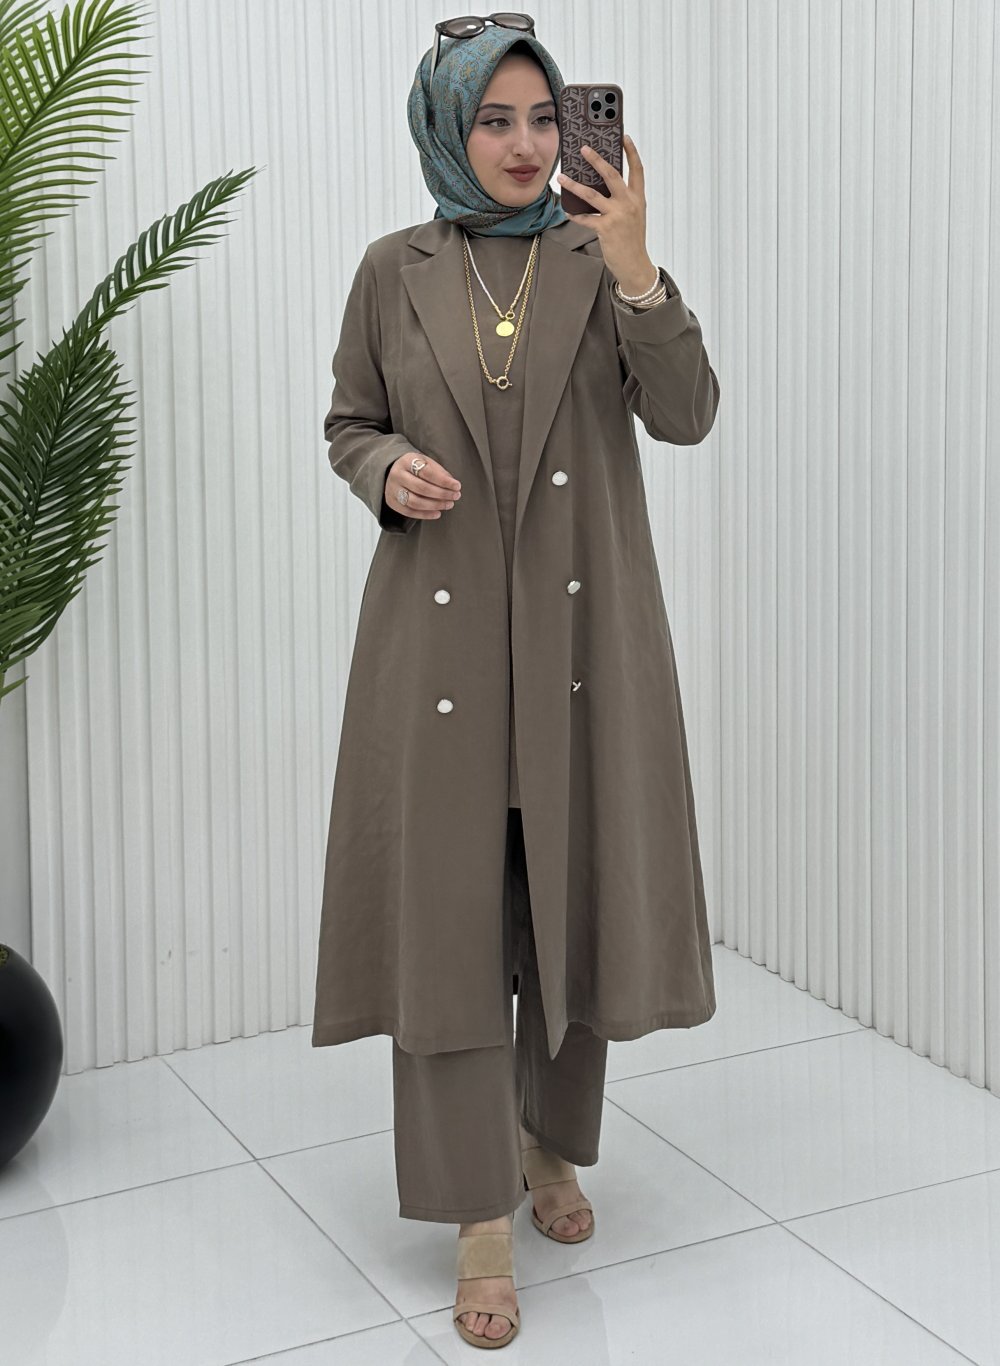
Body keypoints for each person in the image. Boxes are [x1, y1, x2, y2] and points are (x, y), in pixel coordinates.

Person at [311, 15, 721, 1350]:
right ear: (447, 125)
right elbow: (349, 422)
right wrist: (386, 470)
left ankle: (552, 1144)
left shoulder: (599, 261)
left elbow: (688, 414)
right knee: (451, 922)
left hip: (581, 646)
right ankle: (478, 1216)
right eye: (495, 119)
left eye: (546, 118)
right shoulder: (393, 268)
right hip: (434, 652)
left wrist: (640, 267)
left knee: (567, 899)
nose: (527, 144)